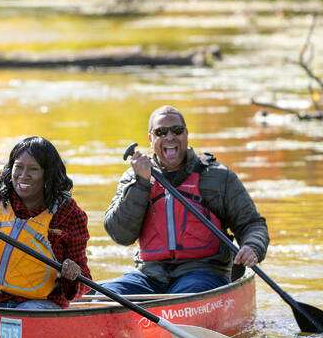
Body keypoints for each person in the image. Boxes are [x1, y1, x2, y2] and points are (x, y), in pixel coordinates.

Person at [99, 105, 269, 296]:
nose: (169, 137)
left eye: (177, 130)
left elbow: (252, 224)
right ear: (151, 138)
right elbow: (120, 235)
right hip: (149, 276)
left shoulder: (218, 177)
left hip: (204, 273)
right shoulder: (135, 177)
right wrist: (141, 184)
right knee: (103, 296)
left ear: (186, 134)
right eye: (161, 132)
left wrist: (252, 247)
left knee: (184, 294)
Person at [0, 136, 91, 309]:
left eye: (33, 169)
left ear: (48, 175)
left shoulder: (69, 214)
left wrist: (73, 273)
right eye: (18, 167)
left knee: (27, 311)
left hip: (39, 303)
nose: (23, 176)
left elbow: (83, 284)